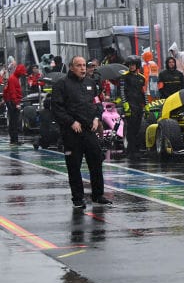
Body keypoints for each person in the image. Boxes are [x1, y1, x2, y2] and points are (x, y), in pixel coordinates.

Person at [51, 56, 111, 209]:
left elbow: (98, 104)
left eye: (84, 65)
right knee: (74, 166)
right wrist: (71, 122)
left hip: (89, 129)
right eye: (79, 65)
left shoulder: (91, 83)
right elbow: (57, 108)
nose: (83, 68)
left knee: (97, 161)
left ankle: (98, 195)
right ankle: (78, 198)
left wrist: (97, 118)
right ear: (71, 67)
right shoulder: (61, 85)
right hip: (72, 132)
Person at [122, 55, 147, 157]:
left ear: (137, 66)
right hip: (129, 105)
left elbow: (144, 92)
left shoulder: (142, 78)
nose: (131, 67)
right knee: (131, 127)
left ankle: (136, 148)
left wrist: (146, 105)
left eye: (133, 65)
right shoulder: (124, 76)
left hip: (139, 105)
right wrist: (125, 104)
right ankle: (130, 149)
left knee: (138, 127)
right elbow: (122, 91)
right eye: (129, 65)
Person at [3, 63, 26, 144]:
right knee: (14, 121)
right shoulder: (13, 79)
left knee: (14, 121)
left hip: (11, 101)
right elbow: (12, 92)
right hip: (12, 102)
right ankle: (14, 140)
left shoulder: (14, 78)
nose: (22, 75)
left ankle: (14, 139)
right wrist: (16, 103)